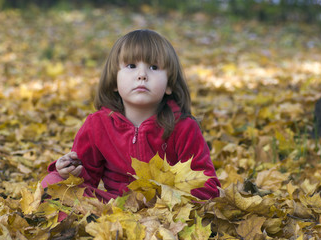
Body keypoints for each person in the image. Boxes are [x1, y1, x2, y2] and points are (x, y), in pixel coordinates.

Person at [42, 29, 220, 204]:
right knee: (52, 184)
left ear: (169, 84)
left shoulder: (183, 126)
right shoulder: (98, 124)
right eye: (131, 66)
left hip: (167, 207)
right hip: (114, 207)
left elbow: (207, 185)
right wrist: (70, 172)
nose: (142, 75)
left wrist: (169, 196)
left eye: (153, 67)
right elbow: (86, 179)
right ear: (114, 81)